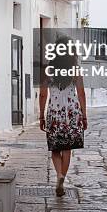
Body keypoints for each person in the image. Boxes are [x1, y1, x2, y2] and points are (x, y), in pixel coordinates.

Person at [39, 37, 87, 196]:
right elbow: (81, 93)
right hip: (71, 112)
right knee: (67, 148)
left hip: (54, 112)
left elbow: (43, 94)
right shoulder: (75, 69)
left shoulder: (48, 69)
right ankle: (62, 178)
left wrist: (41, 115)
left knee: (55, 147)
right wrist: (84, 115)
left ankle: (58, 174)